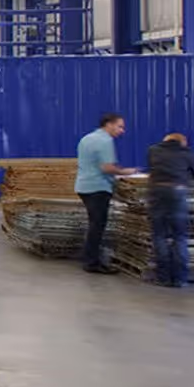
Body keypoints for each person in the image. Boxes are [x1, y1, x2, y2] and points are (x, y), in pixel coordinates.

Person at [144, 132, 194, 287]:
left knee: (159, 235)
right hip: (178, 193)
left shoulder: (153, 150)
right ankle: (180, 279)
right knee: (179, 236)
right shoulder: (187, 153)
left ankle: (163, 278)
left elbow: (151, 169)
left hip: (157, 192)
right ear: (182, 142)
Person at [76, 113, 126, 273]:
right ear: (109, 124)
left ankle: (88, 257)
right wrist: (125, 172)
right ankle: (92, 262)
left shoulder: (87, 138)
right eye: (119, 126)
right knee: (97, 226)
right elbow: (107, 167)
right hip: (98, 187)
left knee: (93, 225)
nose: (122, 131)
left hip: (83, 186)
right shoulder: (105, 140)